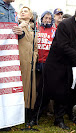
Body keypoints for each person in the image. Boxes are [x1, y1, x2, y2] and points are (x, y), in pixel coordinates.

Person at [29, 4, 76, 130]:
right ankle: (34, 118)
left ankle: (59, 119)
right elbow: (63, 46)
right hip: (54, 64)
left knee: (64, 94)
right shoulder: (65, 25)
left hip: (69, 66)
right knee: (44, 92)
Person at [0, 0, 25, 131]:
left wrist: (21, 32)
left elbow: (16, 33)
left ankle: (6, 120)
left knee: (7, 89)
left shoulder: (13, 10)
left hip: (9, 59)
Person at [18, 6, 38, 112]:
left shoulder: (32, 28)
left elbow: (35, 46)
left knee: (29, 86)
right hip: (20, 60)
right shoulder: (17, 25)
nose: (23, 13)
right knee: (20, 85)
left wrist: (34, 58)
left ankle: (27, 108)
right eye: (21, 11)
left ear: (30, 16)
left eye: (25, 11)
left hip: (30, 62)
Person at [36, 11, 56, 86]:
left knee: (47, 84)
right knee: (37, 83)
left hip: (48, 62)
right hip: (37, 61)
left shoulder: (55, 30)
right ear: (42, 19)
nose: (47, 20)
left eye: (50, 19)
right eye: (46, 18)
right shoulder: (37, 29)